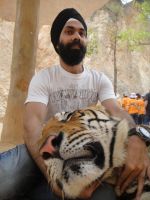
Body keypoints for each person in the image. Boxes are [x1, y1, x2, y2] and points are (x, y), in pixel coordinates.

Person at [0, 8, 149, 200]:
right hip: (44, 149)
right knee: (8, 175)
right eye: (69, 32)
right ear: (56, 43)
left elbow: (115, 110)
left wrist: (135, 136)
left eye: (82, 33)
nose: (77, 36)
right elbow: (32, 126)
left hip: (80, 154)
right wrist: (54, 179)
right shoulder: (44, 78)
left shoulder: (99, 79)